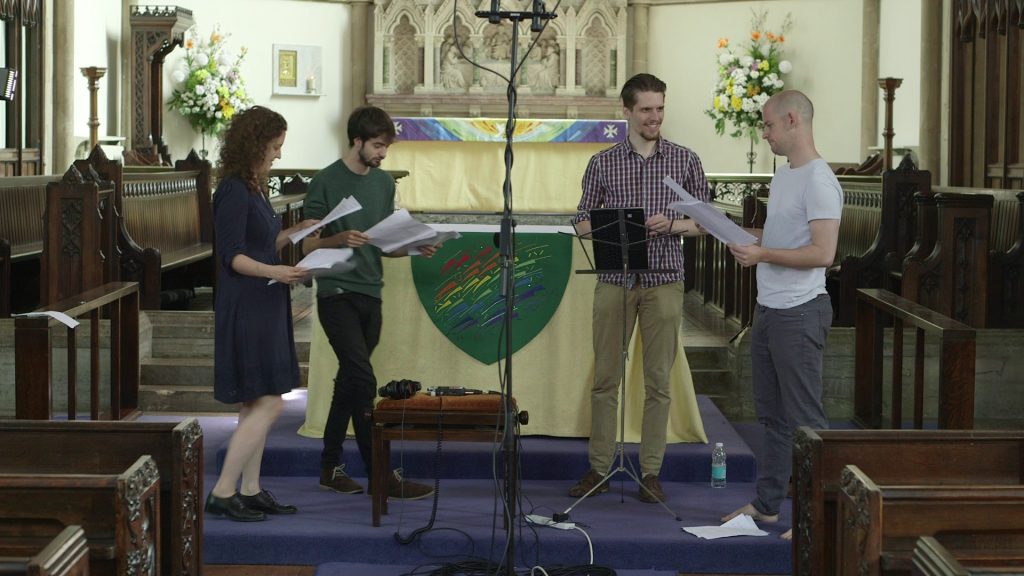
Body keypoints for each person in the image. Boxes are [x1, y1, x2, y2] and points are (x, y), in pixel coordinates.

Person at [570, 73, 710, 504]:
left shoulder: (685, 160)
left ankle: (651, 472)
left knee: (658, 381)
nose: (655, 117)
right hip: (615, 279)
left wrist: (673, 224)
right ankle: (599, 469)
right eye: (646, 109)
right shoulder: (602, 163)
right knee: (605, 378)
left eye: (660, 108)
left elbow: (704, 222)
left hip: (664, 278)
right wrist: (610, 224)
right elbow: (580, 220)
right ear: (626, 111)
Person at [722, 90, 842, 540]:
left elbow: (823, 253)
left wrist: (762, 254)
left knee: (807, 422)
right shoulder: (786, 175)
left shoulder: (819, 179)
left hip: (800, 311)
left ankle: (818, 516)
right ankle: (769, 506)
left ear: (792, 119)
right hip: (770, 309)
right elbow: (778, 234)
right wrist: (726, 231)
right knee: (772, 418)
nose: (765, 133)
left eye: (769, 126)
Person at [302, 105, 436, 500]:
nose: (383, 154)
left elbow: (384, 242)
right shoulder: (325, 181)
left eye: (386, 147)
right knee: (363, 380)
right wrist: (335, 239)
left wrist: (413, 247)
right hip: (335, 291)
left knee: (350, 382)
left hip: (370, 292)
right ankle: (381, 473)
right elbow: (305, 244)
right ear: (357, 140)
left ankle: (330, 467)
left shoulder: (382, 185)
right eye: (377, 145)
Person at [205, 105, 320, 522]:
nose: (277, 155)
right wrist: (275, 270)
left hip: (266, 300)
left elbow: (263, 242)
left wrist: (294, 232)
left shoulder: (254, 189)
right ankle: (221, 490)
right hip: (247, 303)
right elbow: (232, 256)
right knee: (270, 402)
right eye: (274, 147)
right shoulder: (234, 190)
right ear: (255, 144)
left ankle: (249, 489)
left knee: (256, 400)